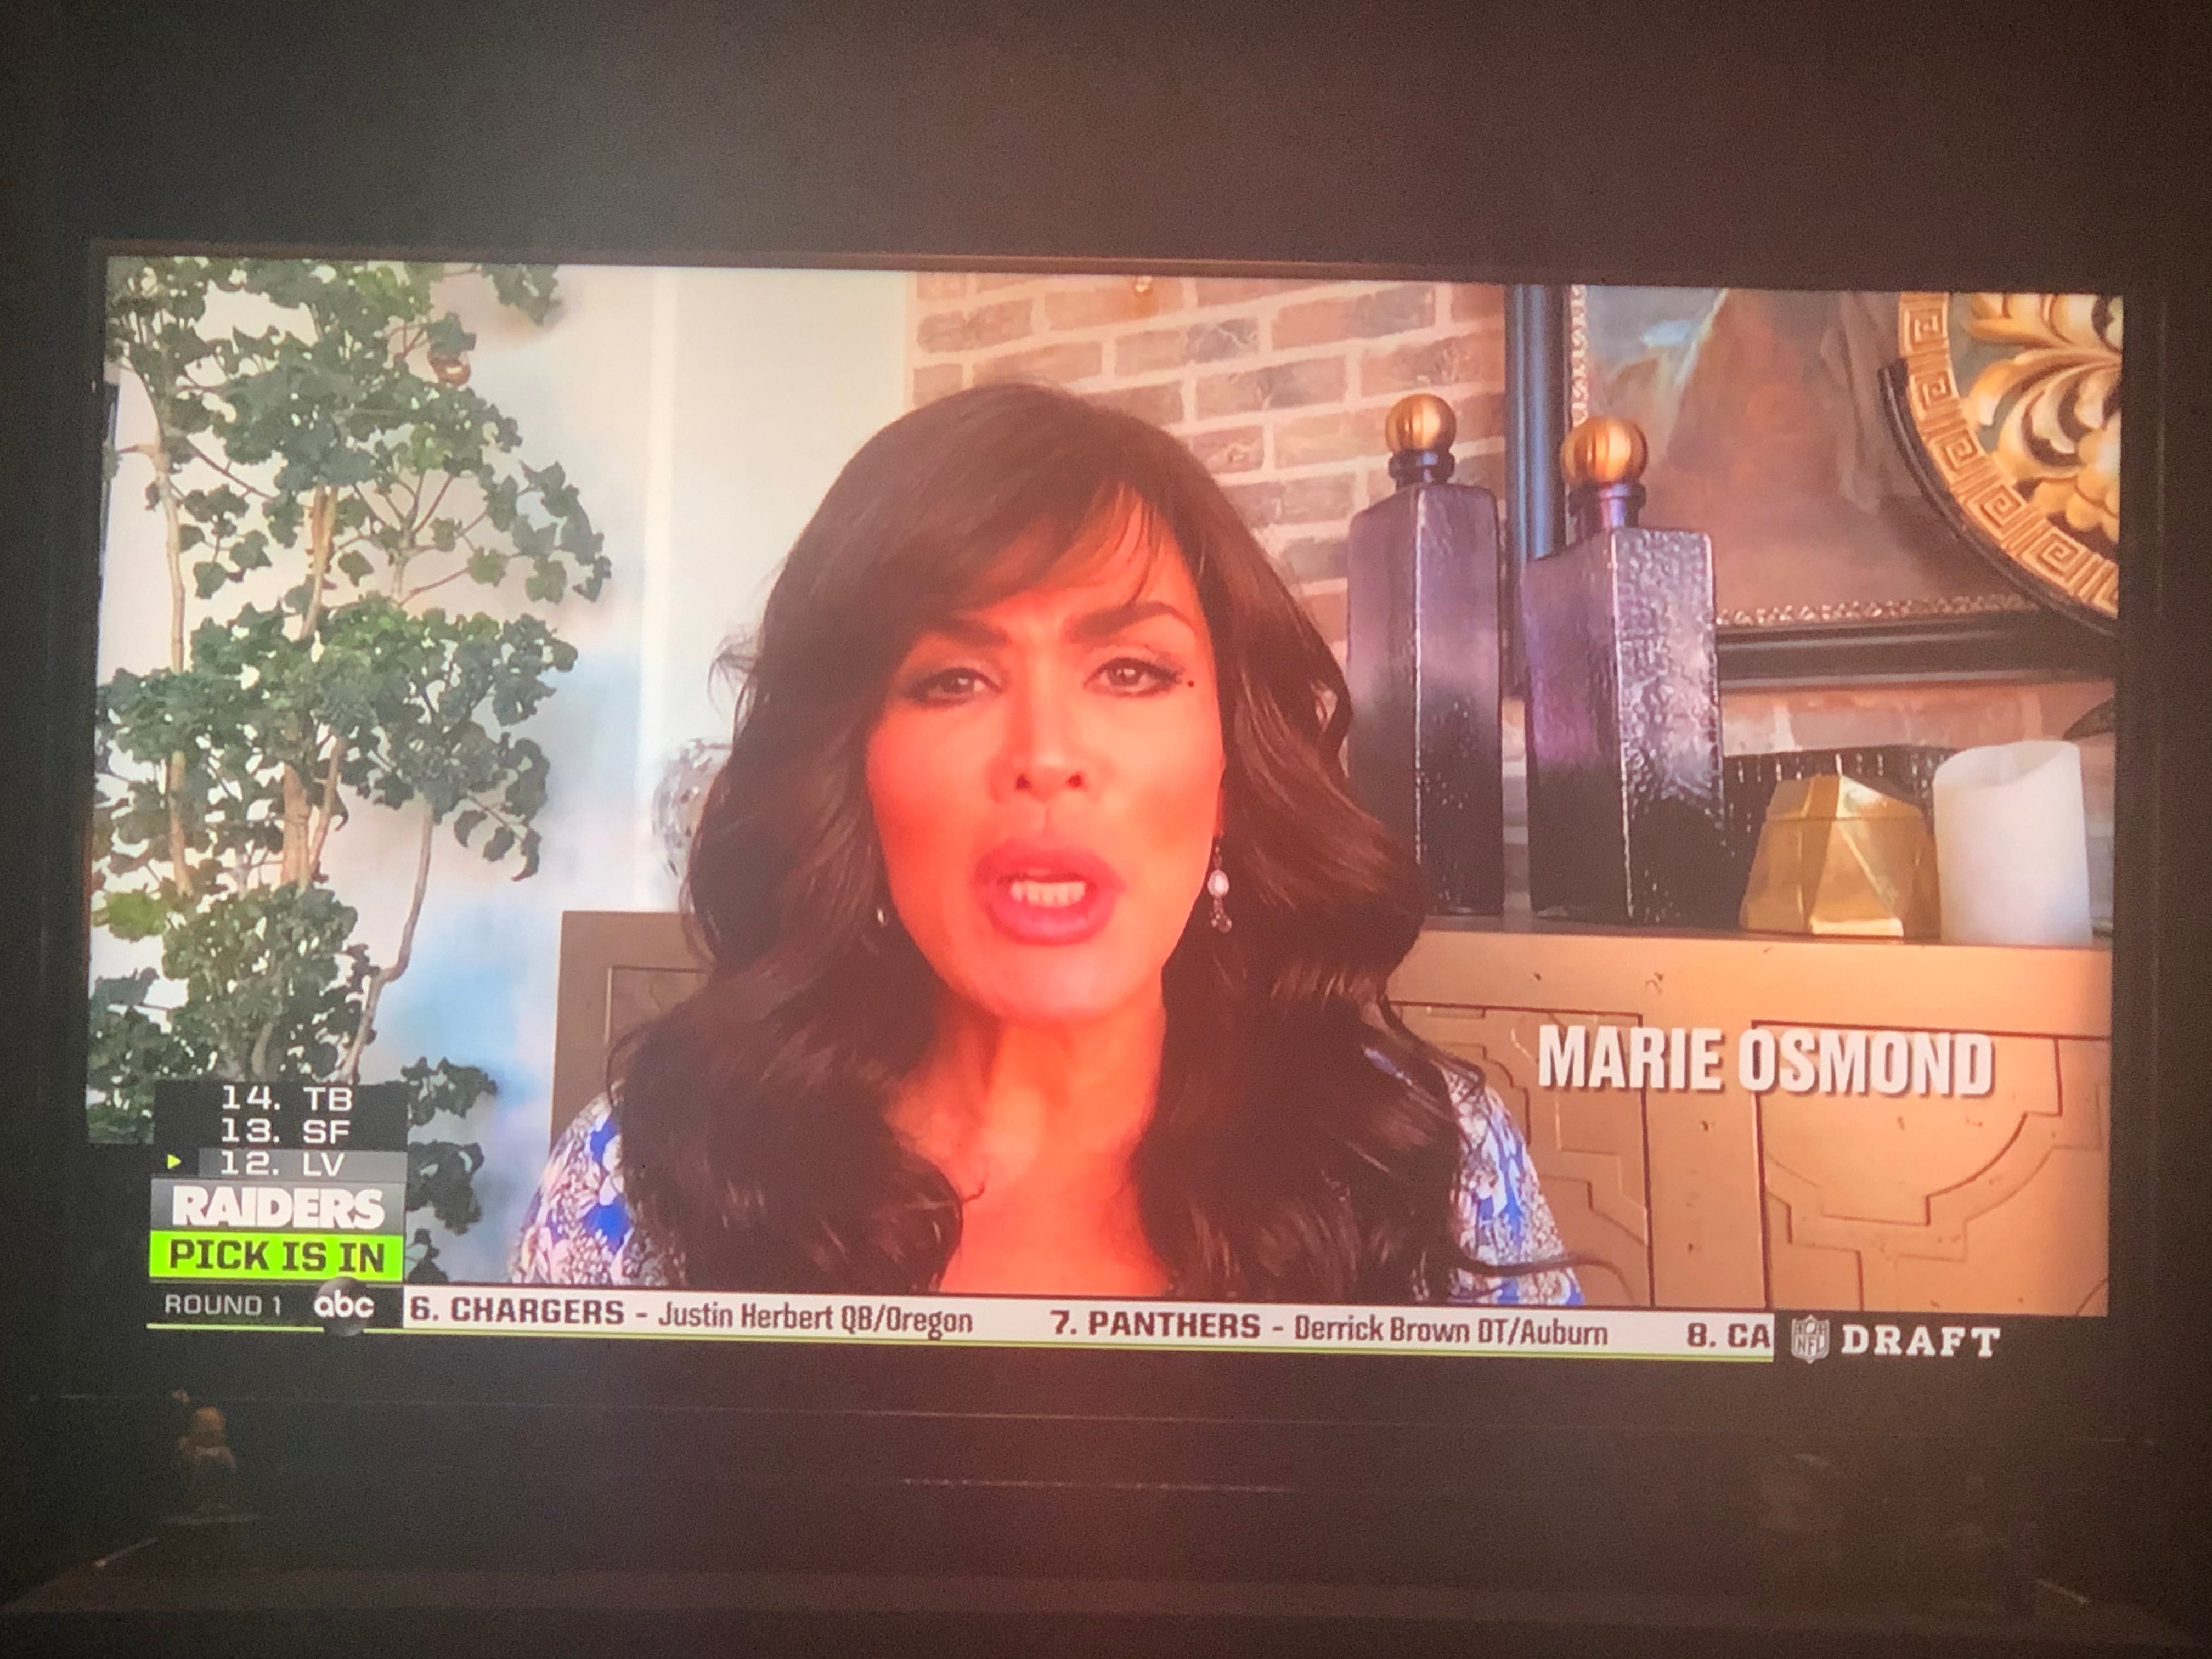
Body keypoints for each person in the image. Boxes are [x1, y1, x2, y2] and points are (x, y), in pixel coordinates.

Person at [515, 382, 1578, 1306]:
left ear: (1229, 776)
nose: (1047, 755)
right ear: (852, 778)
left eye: (1130, 672)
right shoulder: (646, 1183)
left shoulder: (1427, 1167)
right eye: (953, 680)